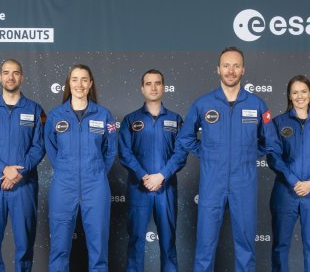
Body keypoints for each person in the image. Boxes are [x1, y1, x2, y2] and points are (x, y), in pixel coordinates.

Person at [176, 46, 282, 271]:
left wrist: (249, 154)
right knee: (205, 247)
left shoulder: (257, 104)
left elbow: (271, 142)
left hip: (244, 183)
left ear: (243, 70)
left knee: (245, 247)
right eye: (226, 65)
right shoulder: (203, 103)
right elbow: (185, 138)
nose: (231, 70)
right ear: (218, 69)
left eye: (236, 66)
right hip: (212, 182)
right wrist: (208, 154)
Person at [0, 59, 45, 271]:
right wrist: (5, 169)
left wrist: (17, 171)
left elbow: (39, 146)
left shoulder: (36, 110)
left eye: (15, 73)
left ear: (22, 77)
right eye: (6, 72)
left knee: (24, 243)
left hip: (24, 184)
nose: (10, 77)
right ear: (0, 77)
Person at [44, 64, 117, 271]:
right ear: (69, 83)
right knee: (59, 248)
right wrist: (64, 169)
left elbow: (110, 150)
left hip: (95, 186)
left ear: (90, 84)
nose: (79, 84)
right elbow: (51, 147)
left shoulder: (103, 115)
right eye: (75, 79)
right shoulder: (56, 115)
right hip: (63, 185)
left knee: (98, 248)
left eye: (84, 79)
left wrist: (97, 172)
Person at [118, 69, 188, 272]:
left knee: (168, 242)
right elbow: (124, 152)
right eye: (149, 83)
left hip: (166, 188)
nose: (154, 87)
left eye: (158, 83)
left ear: (164, 87)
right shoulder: (130, 120)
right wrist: (143, 176)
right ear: (142, 88)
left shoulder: (175, 120)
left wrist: (162, 175)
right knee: (136, 241)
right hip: (138, 188)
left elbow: (181, 153)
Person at [267, 75, 310, 272]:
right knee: (281, 246)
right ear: (289, 96)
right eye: (295, 92)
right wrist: (294, 181)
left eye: (304, 91)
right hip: (286, 192)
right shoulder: (278, 123)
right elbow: (273, 156)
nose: (299, 96)